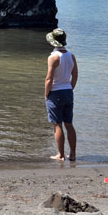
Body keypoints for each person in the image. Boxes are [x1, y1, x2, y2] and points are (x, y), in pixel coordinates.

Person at [44, 28, 78, 161]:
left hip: (56, 92)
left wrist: (47, 94)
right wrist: (70, 88)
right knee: (69, 124)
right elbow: (75, 75)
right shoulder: (71, 55)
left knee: (57, 124)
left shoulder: (53, 57)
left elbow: (49, 79)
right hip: (68, 91)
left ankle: (61, 155)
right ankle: (73, 154)